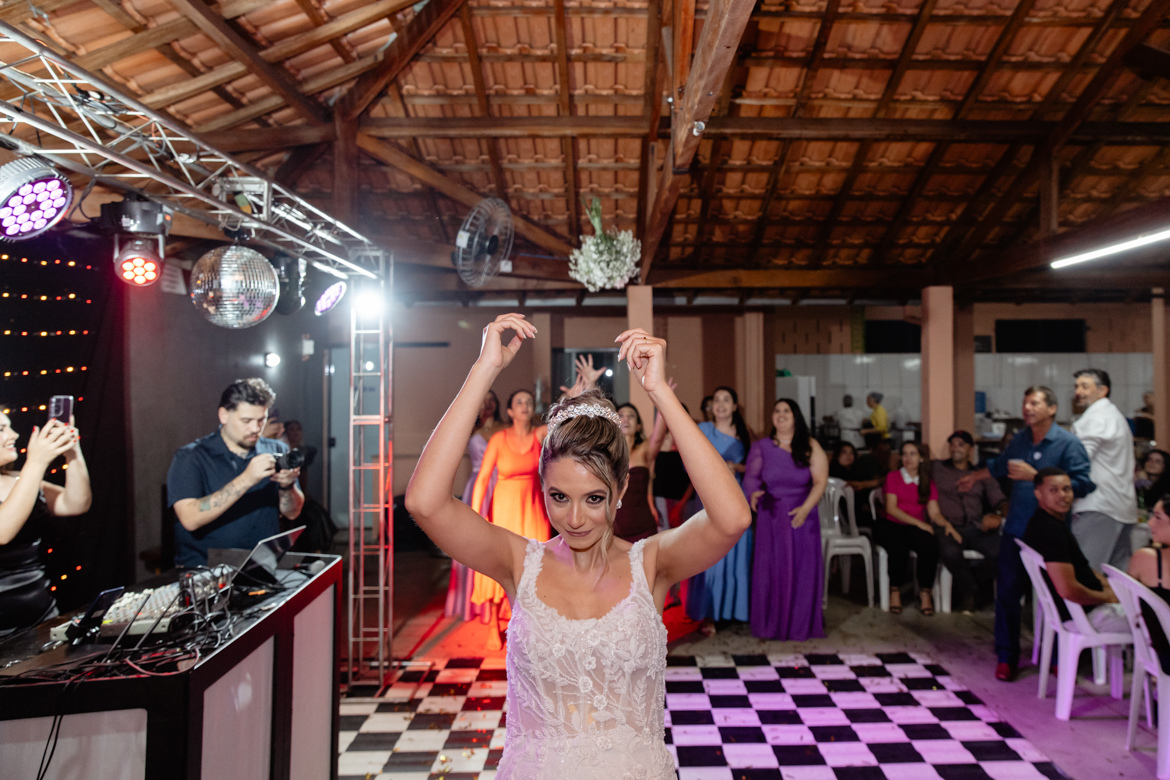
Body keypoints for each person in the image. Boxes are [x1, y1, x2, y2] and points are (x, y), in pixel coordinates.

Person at [404, 315, 751, 779]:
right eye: (559, 497)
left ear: (621, 488)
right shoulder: (518, 562)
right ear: (542, 488)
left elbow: (732, 518)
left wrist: (660, 394)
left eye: (593, 499)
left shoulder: (651, 564)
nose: (574, 519)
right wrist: (484, 370)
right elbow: (425, 503)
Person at [958, 386, 1094, 682]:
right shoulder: (1020, 439)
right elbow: (1000, 466)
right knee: (1007, 595)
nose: (1027, 408)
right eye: (1025, 403)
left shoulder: (1068, 443)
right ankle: (1006, 657)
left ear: (1052, 409)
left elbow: (1083, 484)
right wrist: (974, 477)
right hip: (1017, 532)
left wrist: (1036, 476)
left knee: (1058, 598)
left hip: (1052, 535)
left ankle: (1058, 657)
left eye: (1034, 403)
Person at [167, 378, 304, 568]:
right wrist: (247, 479)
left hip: (263, 567)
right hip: (207, 571)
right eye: (246, 421)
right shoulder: (192, 457)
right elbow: (190, 519)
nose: (255, 429)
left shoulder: (276, 449)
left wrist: (287, 486)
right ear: (224, 415)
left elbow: (292, 513)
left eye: (261, 420)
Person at [470, 388, 552, 649]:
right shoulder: (499, 439)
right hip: (505, 510)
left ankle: (530, 626)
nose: (525, 405)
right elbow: (483, 478)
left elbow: (563, 420)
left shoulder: (539, 435)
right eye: (519, 402)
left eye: (529, 402)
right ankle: (493, 625)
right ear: (509, 411)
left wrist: (574, 395)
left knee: (535, 566)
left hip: (534, 509)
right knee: (501, 564)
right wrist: (476, 516)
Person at [743, 398, 828, 640]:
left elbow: (820, 481)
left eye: (786, 411)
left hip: (803, 516)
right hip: (772, 516)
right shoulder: (762, 447)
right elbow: (751, 478)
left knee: (802, 570)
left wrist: (805, 509)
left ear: (795, 416)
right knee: (772, 570)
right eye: (777, 411)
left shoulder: (810, 445)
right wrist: (753, 494)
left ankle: (799, 624)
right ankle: (771, 624)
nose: (780, 415)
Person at [0, 411, 90, 636]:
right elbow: (2, 532)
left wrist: (72, 451)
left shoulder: (21, 480)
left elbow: (76, 503)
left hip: (41, 617)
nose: (14, 434)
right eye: (1, 429)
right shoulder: (29, 476)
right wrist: (36, 462)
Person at [1022, 468, 1127, 633]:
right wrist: (1107, 597)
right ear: (1038, 494)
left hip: (1084, 610)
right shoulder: (1049, 531)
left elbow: (1081, 567)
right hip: (1084, 615)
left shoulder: (1047, 522)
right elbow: (1068, 590)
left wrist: (1111, 588)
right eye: (1053, 490)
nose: (1062, 495)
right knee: (1155, 620)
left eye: (1066, 489)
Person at [685, 386, 754, 635]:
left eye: (726, 400)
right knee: (710, 556)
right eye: (717, 400)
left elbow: (754, 467)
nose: (721, 404)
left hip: (736, 498)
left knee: (736, 556)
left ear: (735, 406)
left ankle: (734, 611)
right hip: (708, 499)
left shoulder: (745, 434)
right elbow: (689, 458)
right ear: (711, 406)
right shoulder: (703, 430)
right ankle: (709, 615)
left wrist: (737, 466)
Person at [877, 441, 959, 616]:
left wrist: (947, 524)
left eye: (912, 454)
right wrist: (920, 524)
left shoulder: (928, 482)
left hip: (913, 526)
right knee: (898, 549)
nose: (908, 458)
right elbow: (891, 509)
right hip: (891, 523)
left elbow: (934, 512)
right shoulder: (893, 477)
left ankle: (925, 593)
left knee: (930, 547)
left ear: (921, 458)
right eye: (905, 454)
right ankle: (895, 591)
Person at [445, 390, 505, 622]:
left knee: (499, 539)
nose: (488, 404)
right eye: (484, 400)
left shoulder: (504, 428)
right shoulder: (469, 428)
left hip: (502, 484)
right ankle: (474, 601)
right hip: (478, 485)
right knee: (473, 539)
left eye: (492, 400)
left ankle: (499, 600)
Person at [1069, 369, 1137, 571]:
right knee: (1116, 577)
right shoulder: (1113, 415)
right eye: (1077, 386)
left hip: (1099, 506)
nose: (1078, 392)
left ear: (1103, 390)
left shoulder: (1096, 416)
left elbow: (1080, 461)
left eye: (1085, 386)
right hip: (1120, 506)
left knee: (1086, 574)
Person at [932, 431, 1007, 612]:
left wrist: (997, 515)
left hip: (976, 527)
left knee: (1004, 551)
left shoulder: (980, 474)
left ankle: (969, 584)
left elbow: (1001, 501)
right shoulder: (936, 467)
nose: (955, 448)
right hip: (948, 527)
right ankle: (971, 592)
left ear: (971, 449)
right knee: (950, 552)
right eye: (952, 444)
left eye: (961, 445)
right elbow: (909, 470)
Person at [613, 403, 659, 542]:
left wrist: (663, 396)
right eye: (621, 415)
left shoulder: (645, 451)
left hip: (643, 527)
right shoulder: (604, 453)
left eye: (631, 416)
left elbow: (658, 435)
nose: (626, 419)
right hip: (612, 529)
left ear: (638, 426)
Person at [829, 441, 883, 529]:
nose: (848, 456)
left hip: (856, 512)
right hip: (844, 516)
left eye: (851, 453)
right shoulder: (834, 473)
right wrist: (878, 481)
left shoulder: (856, 472)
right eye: (844, 452)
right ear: (837, 455)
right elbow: (853, 485)